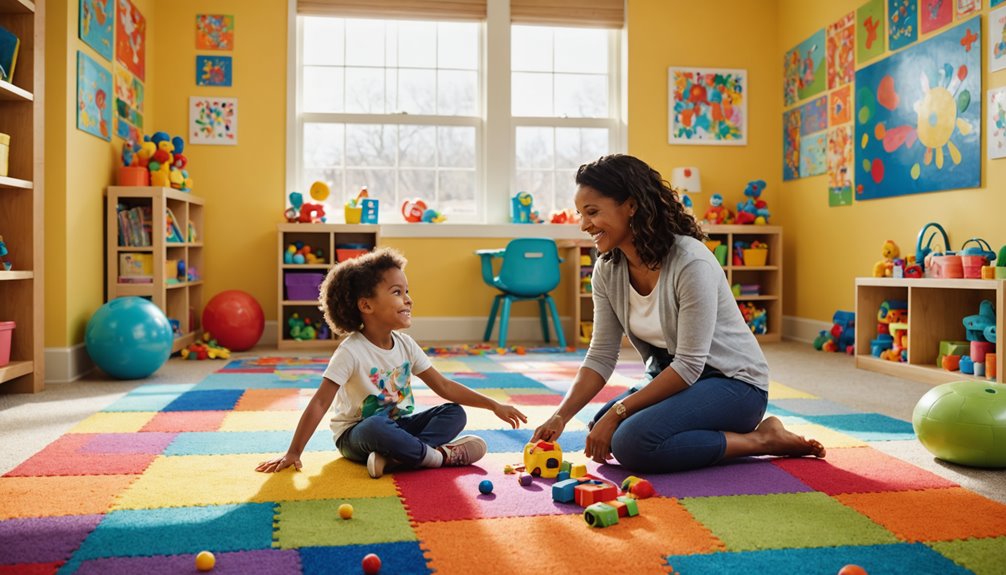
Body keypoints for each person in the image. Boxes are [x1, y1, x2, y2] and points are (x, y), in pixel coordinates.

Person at [531, 154, 825, 473]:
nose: (584, 225)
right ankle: (714, 434)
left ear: (631, 206)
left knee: (631, 441)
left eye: (592, 212)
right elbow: (601, 354)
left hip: (734, 385)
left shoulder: (689, 262)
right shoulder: (607, 270)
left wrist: (620, 410)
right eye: (580, 214)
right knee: (602, 430)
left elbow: (688, 364)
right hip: (672, 378)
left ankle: (762, 440)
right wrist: (561, 415)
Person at [257, 247, 527, 479]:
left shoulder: (406, 344)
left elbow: (443, 385)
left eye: (407, 291)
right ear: (366, 305)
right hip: (357, 435)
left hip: (398, 428)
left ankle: (398, 459)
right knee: (376, 425)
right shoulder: (350, 351)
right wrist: (294, 451)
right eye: (397, 292)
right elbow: (319, 403)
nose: (408, 299)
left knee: (454, 413)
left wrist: (494, 405)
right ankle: (438, 457)